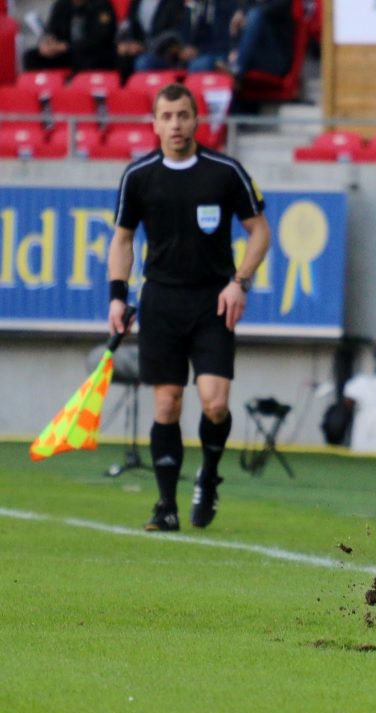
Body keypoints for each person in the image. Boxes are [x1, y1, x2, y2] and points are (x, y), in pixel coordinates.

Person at [107, 83, 271, 532]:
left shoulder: (224, 171)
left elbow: (260, 231)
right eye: (167, 116)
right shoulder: (138, 176)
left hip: (213, 301)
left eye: (183, 115)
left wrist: (239, 282)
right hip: (160, 299)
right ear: (155, 123)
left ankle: (209, 476)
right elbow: (122, 240)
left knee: (215, 404)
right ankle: (166, 505)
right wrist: (117, 296)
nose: (175, 125)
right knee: (168, 403)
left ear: (197, 120)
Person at [23, 0, 118, 73]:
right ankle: (37, 89)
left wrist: (66, 46)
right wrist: (47, 42)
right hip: (64, 52)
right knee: (31, 56)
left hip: (91, 53)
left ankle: (77, 88)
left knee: (87, 57)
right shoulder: (61, 5)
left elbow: (100, 39)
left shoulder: (102, 6)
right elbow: (51, 30)